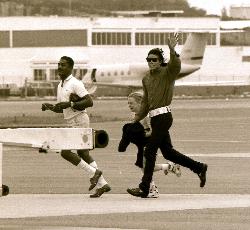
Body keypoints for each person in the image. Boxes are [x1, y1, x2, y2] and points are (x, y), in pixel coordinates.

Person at [127, 33, 208, 198]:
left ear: (160, 61)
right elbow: (146, 102)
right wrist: (137, 117)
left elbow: (176, 65)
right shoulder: (146, 79)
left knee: (149, 151)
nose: (151, 62)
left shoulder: (167, 72)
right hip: (155, 118)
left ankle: (144, 188)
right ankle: (199, 167)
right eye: (148, 59)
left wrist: (172, 50)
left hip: (164, 117)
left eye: (154, 59)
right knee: (169, 153)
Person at [42, 56, 111, 198]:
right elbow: (62, 108)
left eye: (64, 65)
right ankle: (103, 184)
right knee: (83, 153)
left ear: (71, 68)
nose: (60, 67)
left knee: (65, 153)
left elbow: (89, 101)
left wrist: (72, 104)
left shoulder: (75, 83)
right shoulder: (60, 86)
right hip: (71, 121)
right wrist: (50, 107)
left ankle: (94, 173)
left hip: (79, 120)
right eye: (59, 64)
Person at [118, 91, 181, 198]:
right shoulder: (137, 115)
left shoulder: (147, 115)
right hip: (145, 143)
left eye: (131, 103)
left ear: (140, 103)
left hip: (151, 143)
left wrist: (143, 135)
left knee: (146, 166)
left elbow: (154, 132)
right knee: (143, 167)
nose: (129, 106)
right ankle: (167, 169)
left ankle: (154, 187)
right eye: (128, 103)